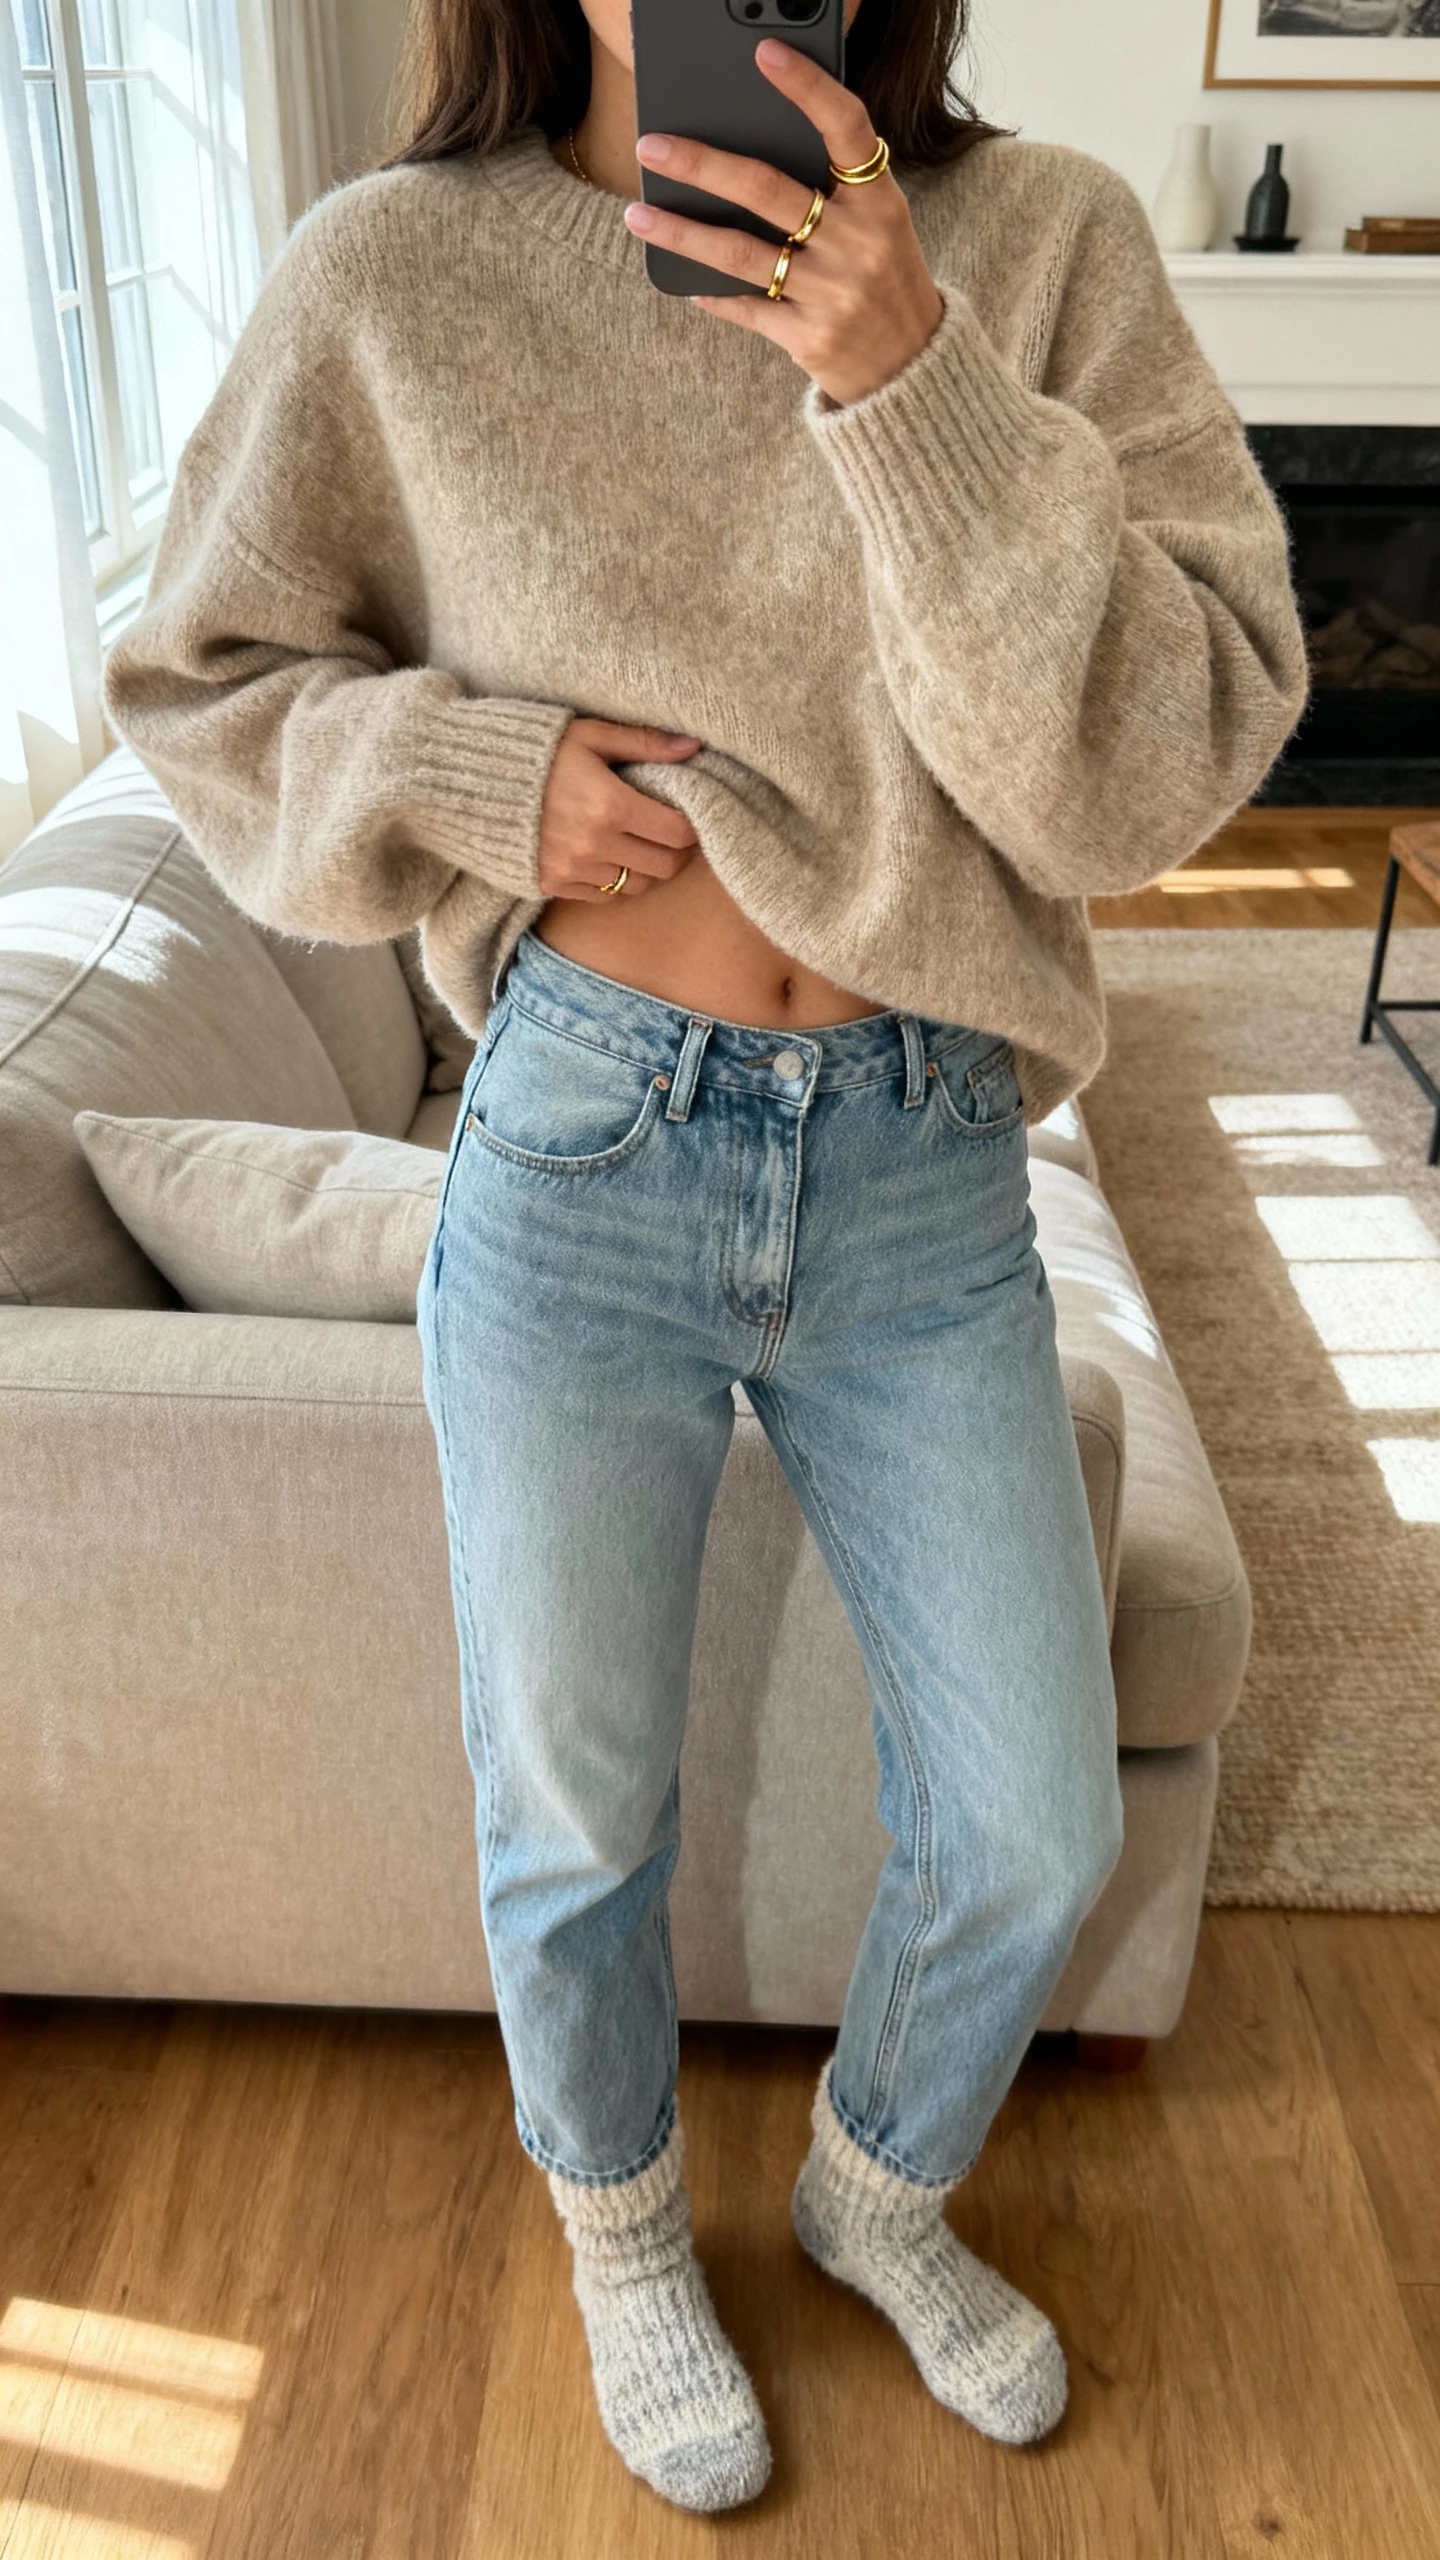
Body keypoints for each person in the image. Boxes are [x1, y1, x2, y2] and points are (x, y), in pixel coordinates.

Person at [99, 0, 1308, 2514]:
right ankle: (627, 2227)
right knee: (573, 1805)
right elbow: (195, 680)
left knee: (1033, 1818)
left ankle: (873, 2188)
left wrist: (917, 388)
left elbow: (1157, 767)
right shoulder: (393, 273)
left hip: (923, 1150)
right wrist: (468, 769)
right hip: (578, 1143)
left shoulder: (1046, 245)